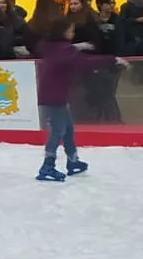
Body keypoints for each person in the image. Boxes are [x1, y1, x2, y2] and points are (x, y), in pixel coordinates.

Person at [33, 16, 129, 182]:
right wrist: (112, 59)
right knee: (58, 130)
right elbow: (84, 62)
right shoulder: (64, 51)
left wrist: (77, 46)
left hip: (56, 93)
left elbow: (63, 52)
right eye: (70, 30)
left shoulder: (53, 47)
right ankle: (47, 166)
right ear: (62, 32)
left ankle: (73, 161)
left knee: (68, 128)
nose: (72, 33)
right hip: (54, 96)